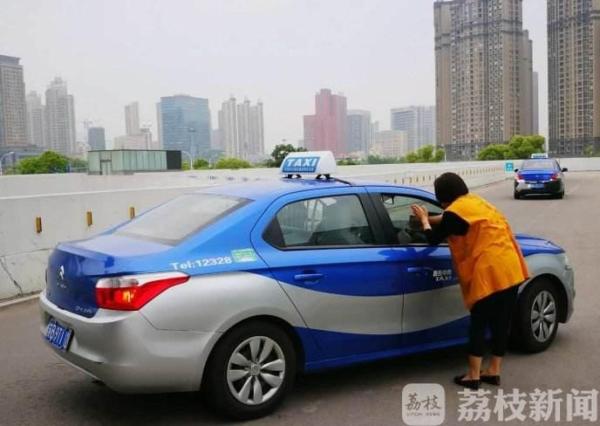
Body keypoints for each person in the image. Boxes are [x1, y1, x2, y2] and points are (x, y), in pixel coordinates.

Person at [410, 172, 529, 390]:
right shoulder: (475, 203)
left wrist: (425, 221)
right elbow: (452, 221)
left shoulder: (454, 213)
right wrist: (429, 218)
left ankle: (473, 375)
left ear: (443, 196)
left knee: (479, 322)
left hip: (489, 271)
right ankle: (493, 371)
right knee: (501, 322)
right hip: (510, 267)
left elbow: (433, 238)